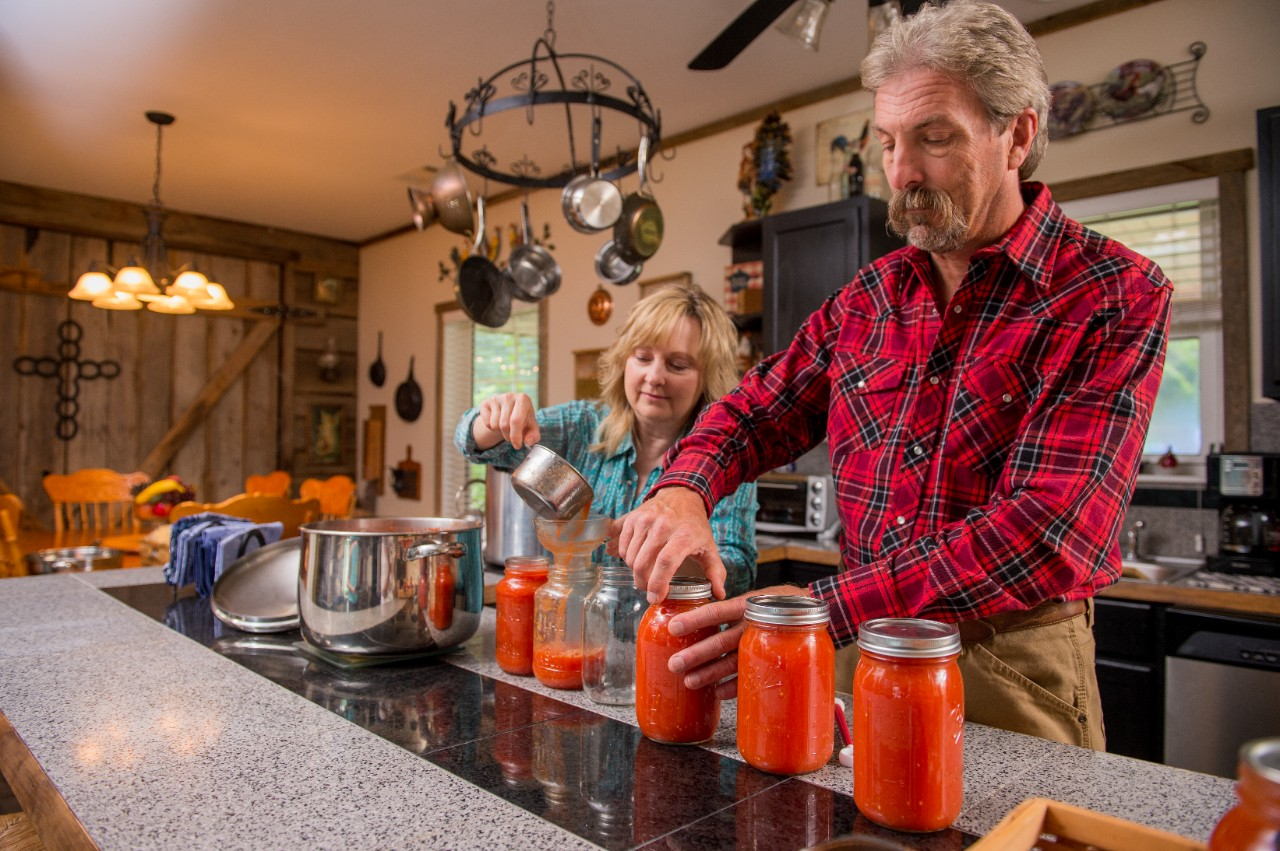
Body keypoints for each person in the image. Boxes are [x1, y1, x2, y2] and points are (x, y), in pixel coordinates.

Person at [612, 0, 1171, 749]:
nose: (901, 173)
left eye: (934, 139)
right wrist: (684, 487)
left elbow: (1047, 530)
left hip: (1008, 661)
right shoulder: (867, 299)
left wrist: (826, 607)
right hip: (856, 647)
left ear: (1018, 135)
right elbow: (755, 411)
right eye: (887, 142)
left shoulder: (1112, 292)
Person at [456, 284, 758, 597]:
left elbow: (737, 570)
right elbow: (472, 442)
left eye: (677, 365)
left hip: (670, 638)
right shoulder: (582, 425)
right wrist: (494, 418)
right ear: (624, 361)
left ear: (707, 377)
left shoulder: (727, 455)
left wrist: (671, 550)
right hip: (573, 630)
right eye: (642, 357)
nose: (654, 377)